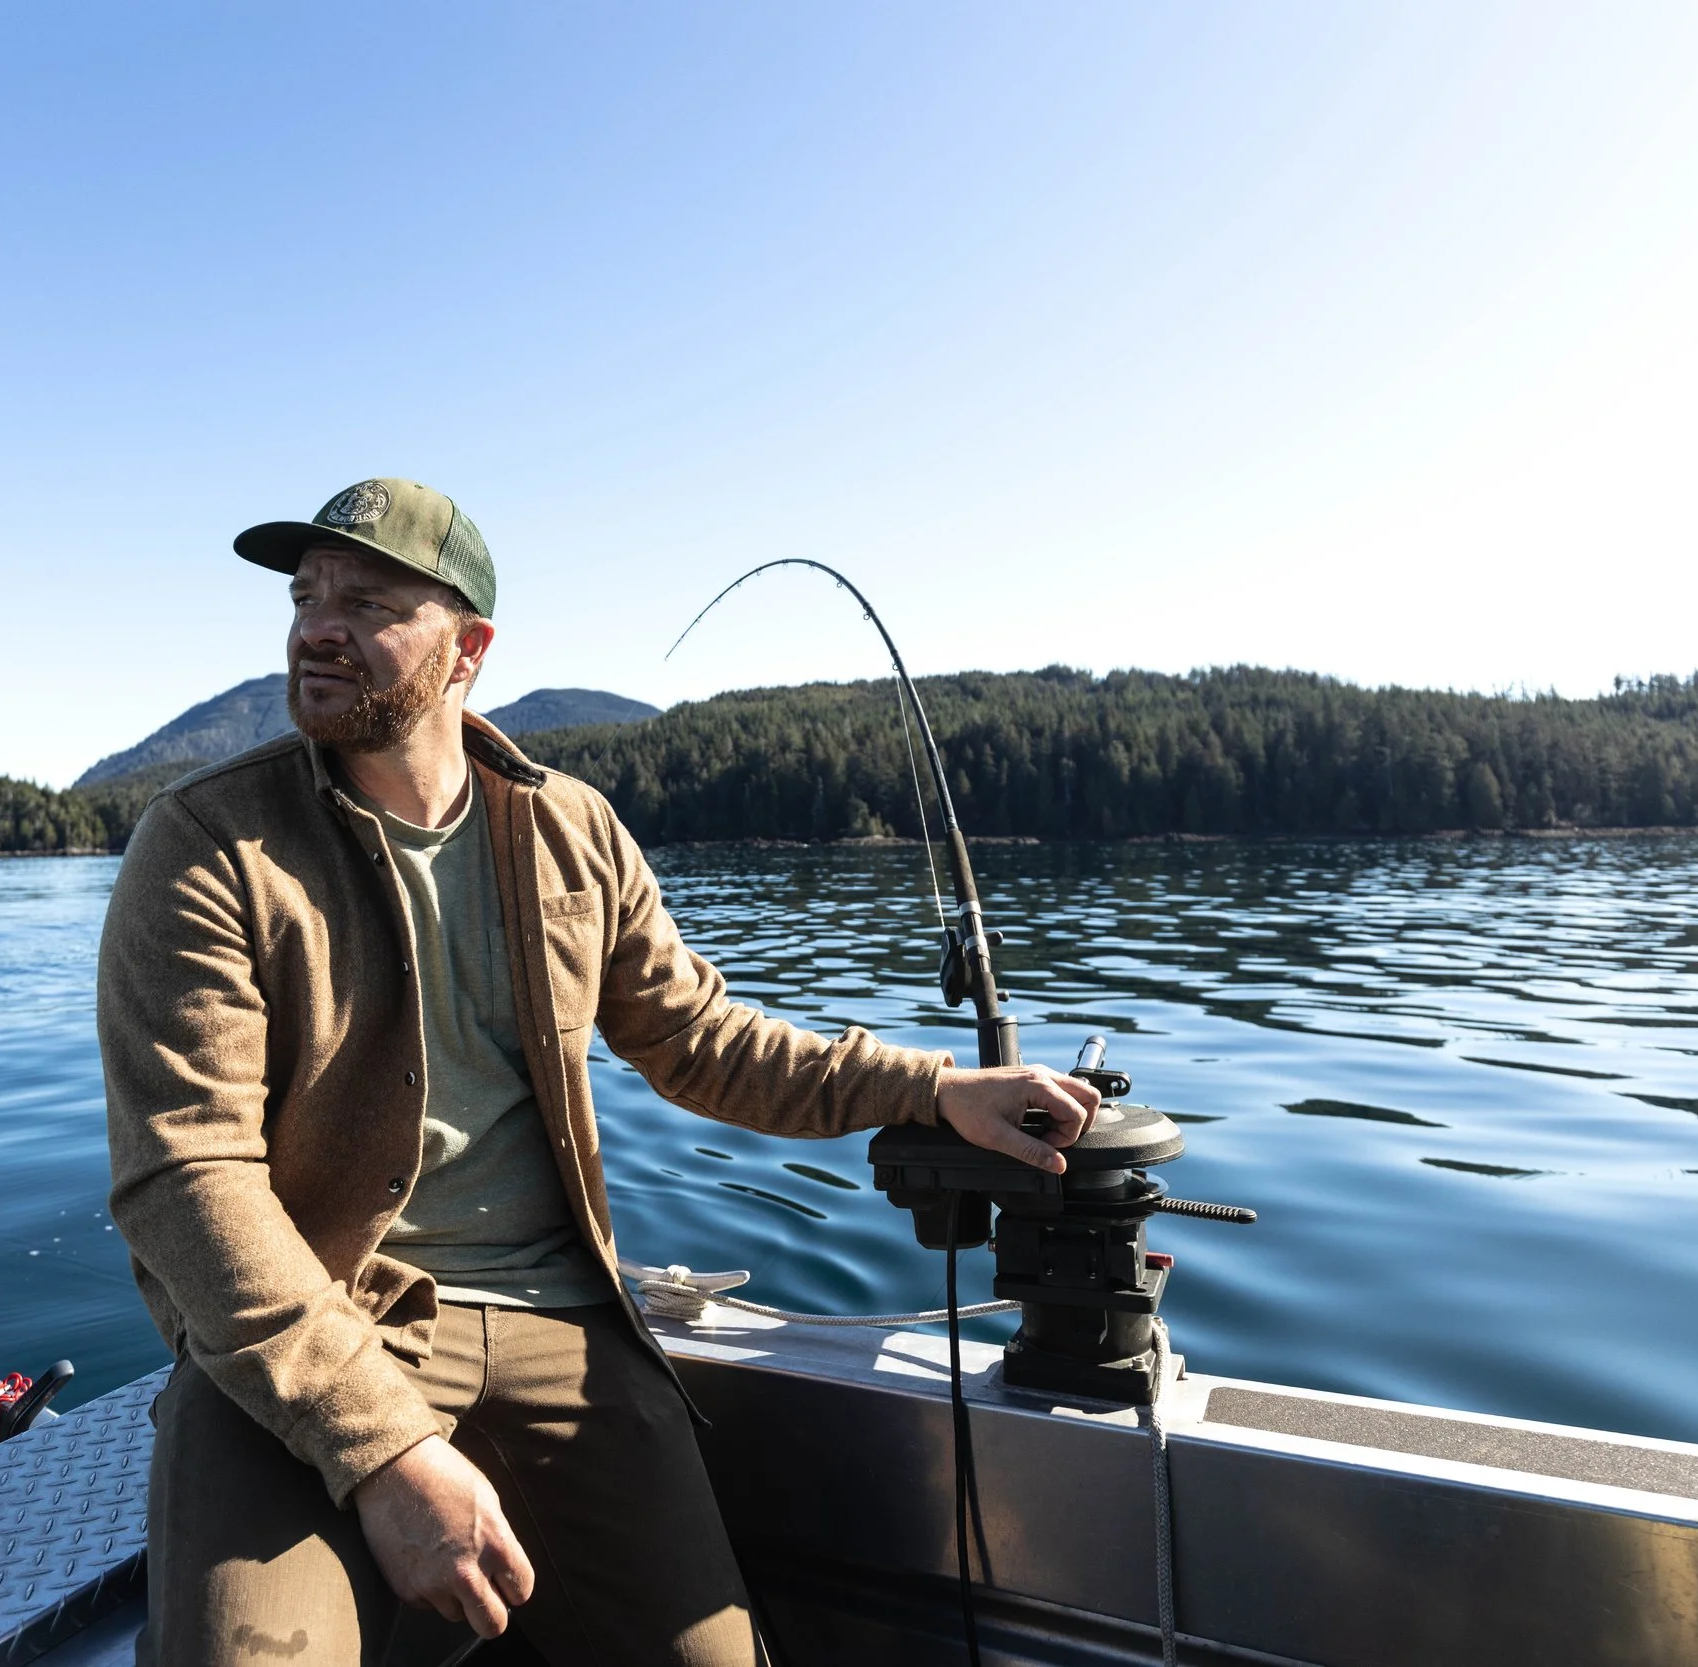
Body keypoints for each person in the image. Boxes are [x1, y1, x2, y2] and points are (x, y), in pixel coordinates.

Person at [97, 478, 1100, 1667]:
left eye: (368, 602)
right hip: (321, 1324)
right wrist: (382, 1448)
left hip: (565, 1326)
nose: (317, 626)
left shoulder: (568, 826)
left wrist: (929, 1088)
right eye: (308, 597)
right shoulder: (208, 840)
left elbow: (700, 1038)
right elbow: (186, 1177)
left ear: (467, 648)